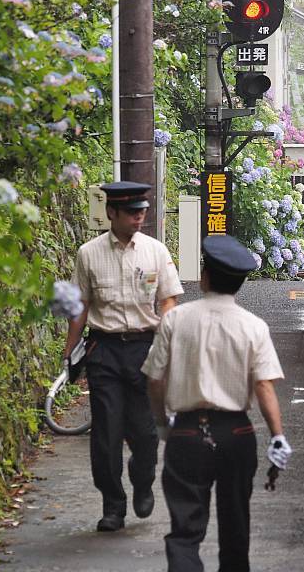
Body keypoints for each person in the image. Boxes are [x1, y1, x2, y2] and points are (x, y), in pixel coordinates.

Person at [142, 233, 292, 572]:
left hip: (187, 433)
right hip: (236, 432)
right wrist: (278, 436)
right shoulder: (253, 327)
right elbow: (264, 386)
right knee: (236, 525)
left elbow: (154, 379)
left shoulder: (175, 320)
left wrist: (162, 423)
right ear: (239, 284)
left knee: (184, 530)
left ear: (204, 276)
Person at [64, 180, 184, 533]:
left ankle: (143, 480)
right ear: (111, 213)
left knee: (145, 433)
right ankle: (112, 504)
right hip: (105, 351)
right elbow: (80, 306)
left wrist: (167, 333)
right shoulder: (89, 254)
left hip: (145, 349)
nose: (138, 218)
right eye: (132, 212)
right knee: (106, 434)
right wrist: (70, 354)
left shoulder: (155, 252)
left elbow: (169, 299)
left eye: (142, 211)